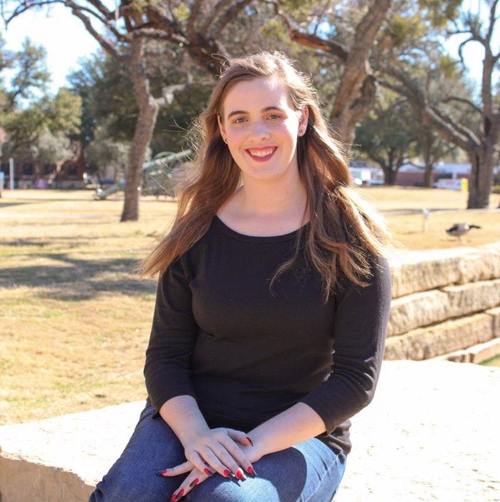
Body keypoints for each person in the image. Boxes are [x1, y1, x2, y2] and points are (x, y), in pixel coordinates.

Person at [89, 50, 393, 502]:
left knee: (225, 500)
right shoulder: (196, 232)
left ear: (302, 120)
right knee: (127, 494)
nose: (258, 133)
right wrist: (197, 437)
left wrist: (248, 447)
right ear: (223, 130)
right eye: (240, 119)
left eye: (272, 115)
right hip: (192, 419)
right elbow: (166, 357)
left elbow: (355, 380)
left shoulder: (351, 239)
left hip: (299, 436)